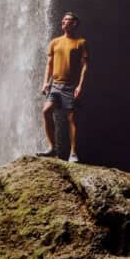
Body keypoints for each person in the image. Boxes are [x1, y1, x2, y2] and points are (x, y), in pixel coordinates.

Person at [37, 12, 88, 162]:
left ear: (74, 24)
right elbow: (49, 64)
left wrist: (80, 85)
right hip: (55, 85)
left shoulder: (80, 43)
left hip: (70, 86)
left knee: (71, 118)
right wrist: (46, 82)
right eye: (63, 19)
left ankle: (73, 152)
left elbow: (85, 66)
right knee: (46, 111)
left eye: (68, 20)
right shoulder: (55, 42)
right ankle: (53, 148)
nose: (64, 22)